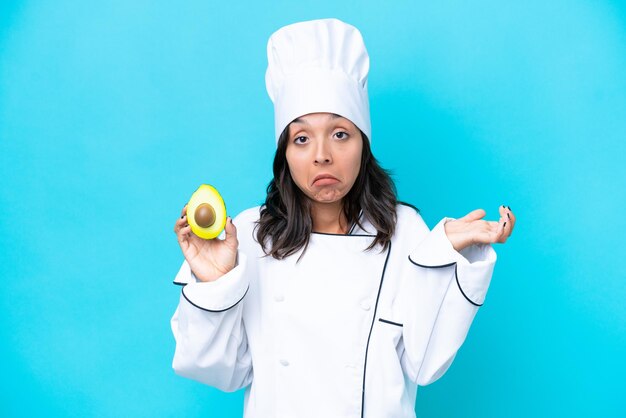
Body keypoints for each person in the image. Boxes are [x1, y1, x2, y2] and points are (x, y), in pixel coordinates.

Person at [170, 18, 515, 418]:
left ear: (363, 144)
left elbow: (425, 366)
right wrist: (216, 284)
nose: (322, 155)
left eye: (339, 134)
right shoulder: (247, 235)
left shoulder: (405, 233)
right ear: (284, 154)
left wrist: (442, 254)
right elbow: (220, 373)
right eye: (301, 138)